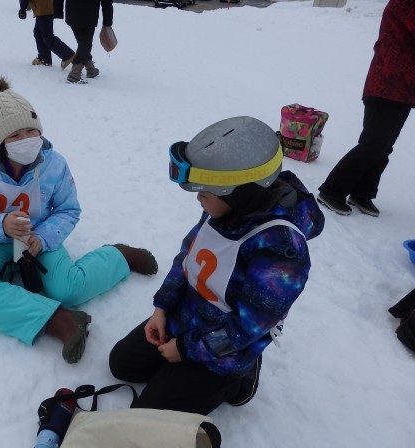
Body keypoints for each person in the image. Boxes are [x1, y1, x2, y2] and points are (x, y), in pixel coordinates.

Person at [109, 116, 325, 415]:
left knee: (151, 412)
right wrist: (163, 308)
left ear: (240, 194)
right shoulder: (224, 210)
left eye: (204, 195)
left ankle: (240, 379)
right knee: (123, 365)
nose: (199, 201)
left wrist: (186, 349)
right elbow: (188, 258)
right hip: (188, 317)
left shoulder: (281, 250)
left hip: (228, 345)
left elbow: (251, 325)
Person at [0, 75, 158, 364]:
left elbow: (68, 210)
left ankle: (119, 257)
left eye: (31, 130)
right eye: (15, 136)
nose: (26, 140)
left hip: (39, 239)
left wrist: (43, 238)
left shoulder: (54, 164)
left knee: (67, 289)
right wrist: (0, 226)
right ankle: (59, 320)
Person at [317, 0, 415, 217]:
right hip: (386, 85)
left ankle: (362, 193)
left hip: (405, 89)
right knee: (373, 144)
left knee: (384, 146)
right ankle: (331, 191)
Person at [64, 0, 113, 83]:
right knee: (85, 44)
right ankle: (75, 73)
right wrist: (107, 22)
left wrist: (57, 9)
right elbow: (107, 2)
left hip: (72, 11)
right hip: (88, 14)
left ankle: (91, 69)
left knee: (83, 43)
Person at [22, 1, 75, 71]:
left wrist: (22, 8)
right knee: (38, 33)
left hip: (44, 8)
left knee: (47, 35)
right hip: (43, 8)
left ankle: (67, 55)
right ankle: (44, 58)